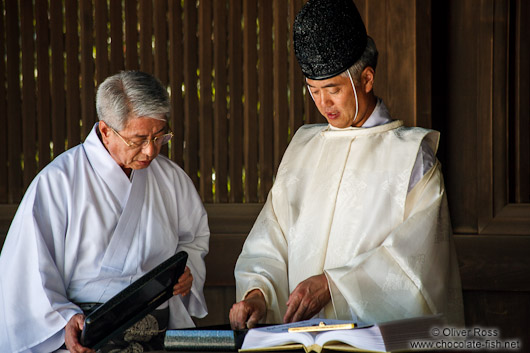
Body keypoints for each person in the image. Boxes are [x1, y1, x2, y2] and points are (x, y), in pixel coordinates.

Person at [230, 0, 464, 330]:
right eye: (313, 90)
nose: (323, 103)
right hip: (298, 339)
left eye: (333, 89)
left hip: (370, 342)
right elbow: (272, 237)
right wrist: (258, 293)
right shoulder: (303, 148)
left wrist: (334, 285)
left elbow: (416, 265)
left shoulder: (412, 157)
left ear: (366, 79)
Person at [0, 71, 210, 353]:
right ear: (105, 131)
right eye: (138, 140)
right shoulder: (58, 181)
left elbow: (193, 239)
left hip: (158, 332)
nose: (150, 151)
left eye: (159, 136)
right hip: (86, 330)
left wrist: (186, 272)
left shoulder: (171, 180)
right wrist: (64, 318)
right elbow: (30, 270)